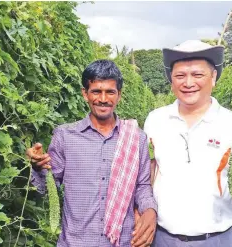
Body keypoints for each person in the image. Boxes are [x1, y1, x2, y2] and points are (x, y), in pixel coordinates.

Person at [144, 40, 232, 247]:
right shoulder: (155, 120)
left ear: (214, 77)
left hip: (216, 240)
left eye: (198, 75)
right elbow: (149, 172)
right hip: (162, 238)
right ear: (171, 81)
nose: (188, 83)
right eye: (180, 75)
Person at [27, 60, 157, 247]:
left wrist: (150, 210)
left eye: (110, 92)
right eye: (96, 91)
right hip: (75, 242)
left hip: (123, 242)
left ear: (119, 95)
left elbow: (142, 187)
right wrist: (38, 168)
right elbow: (47, 189)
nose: (103, 99)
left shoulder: (136, 138)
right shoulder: (65, 136)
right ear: (85, 94)